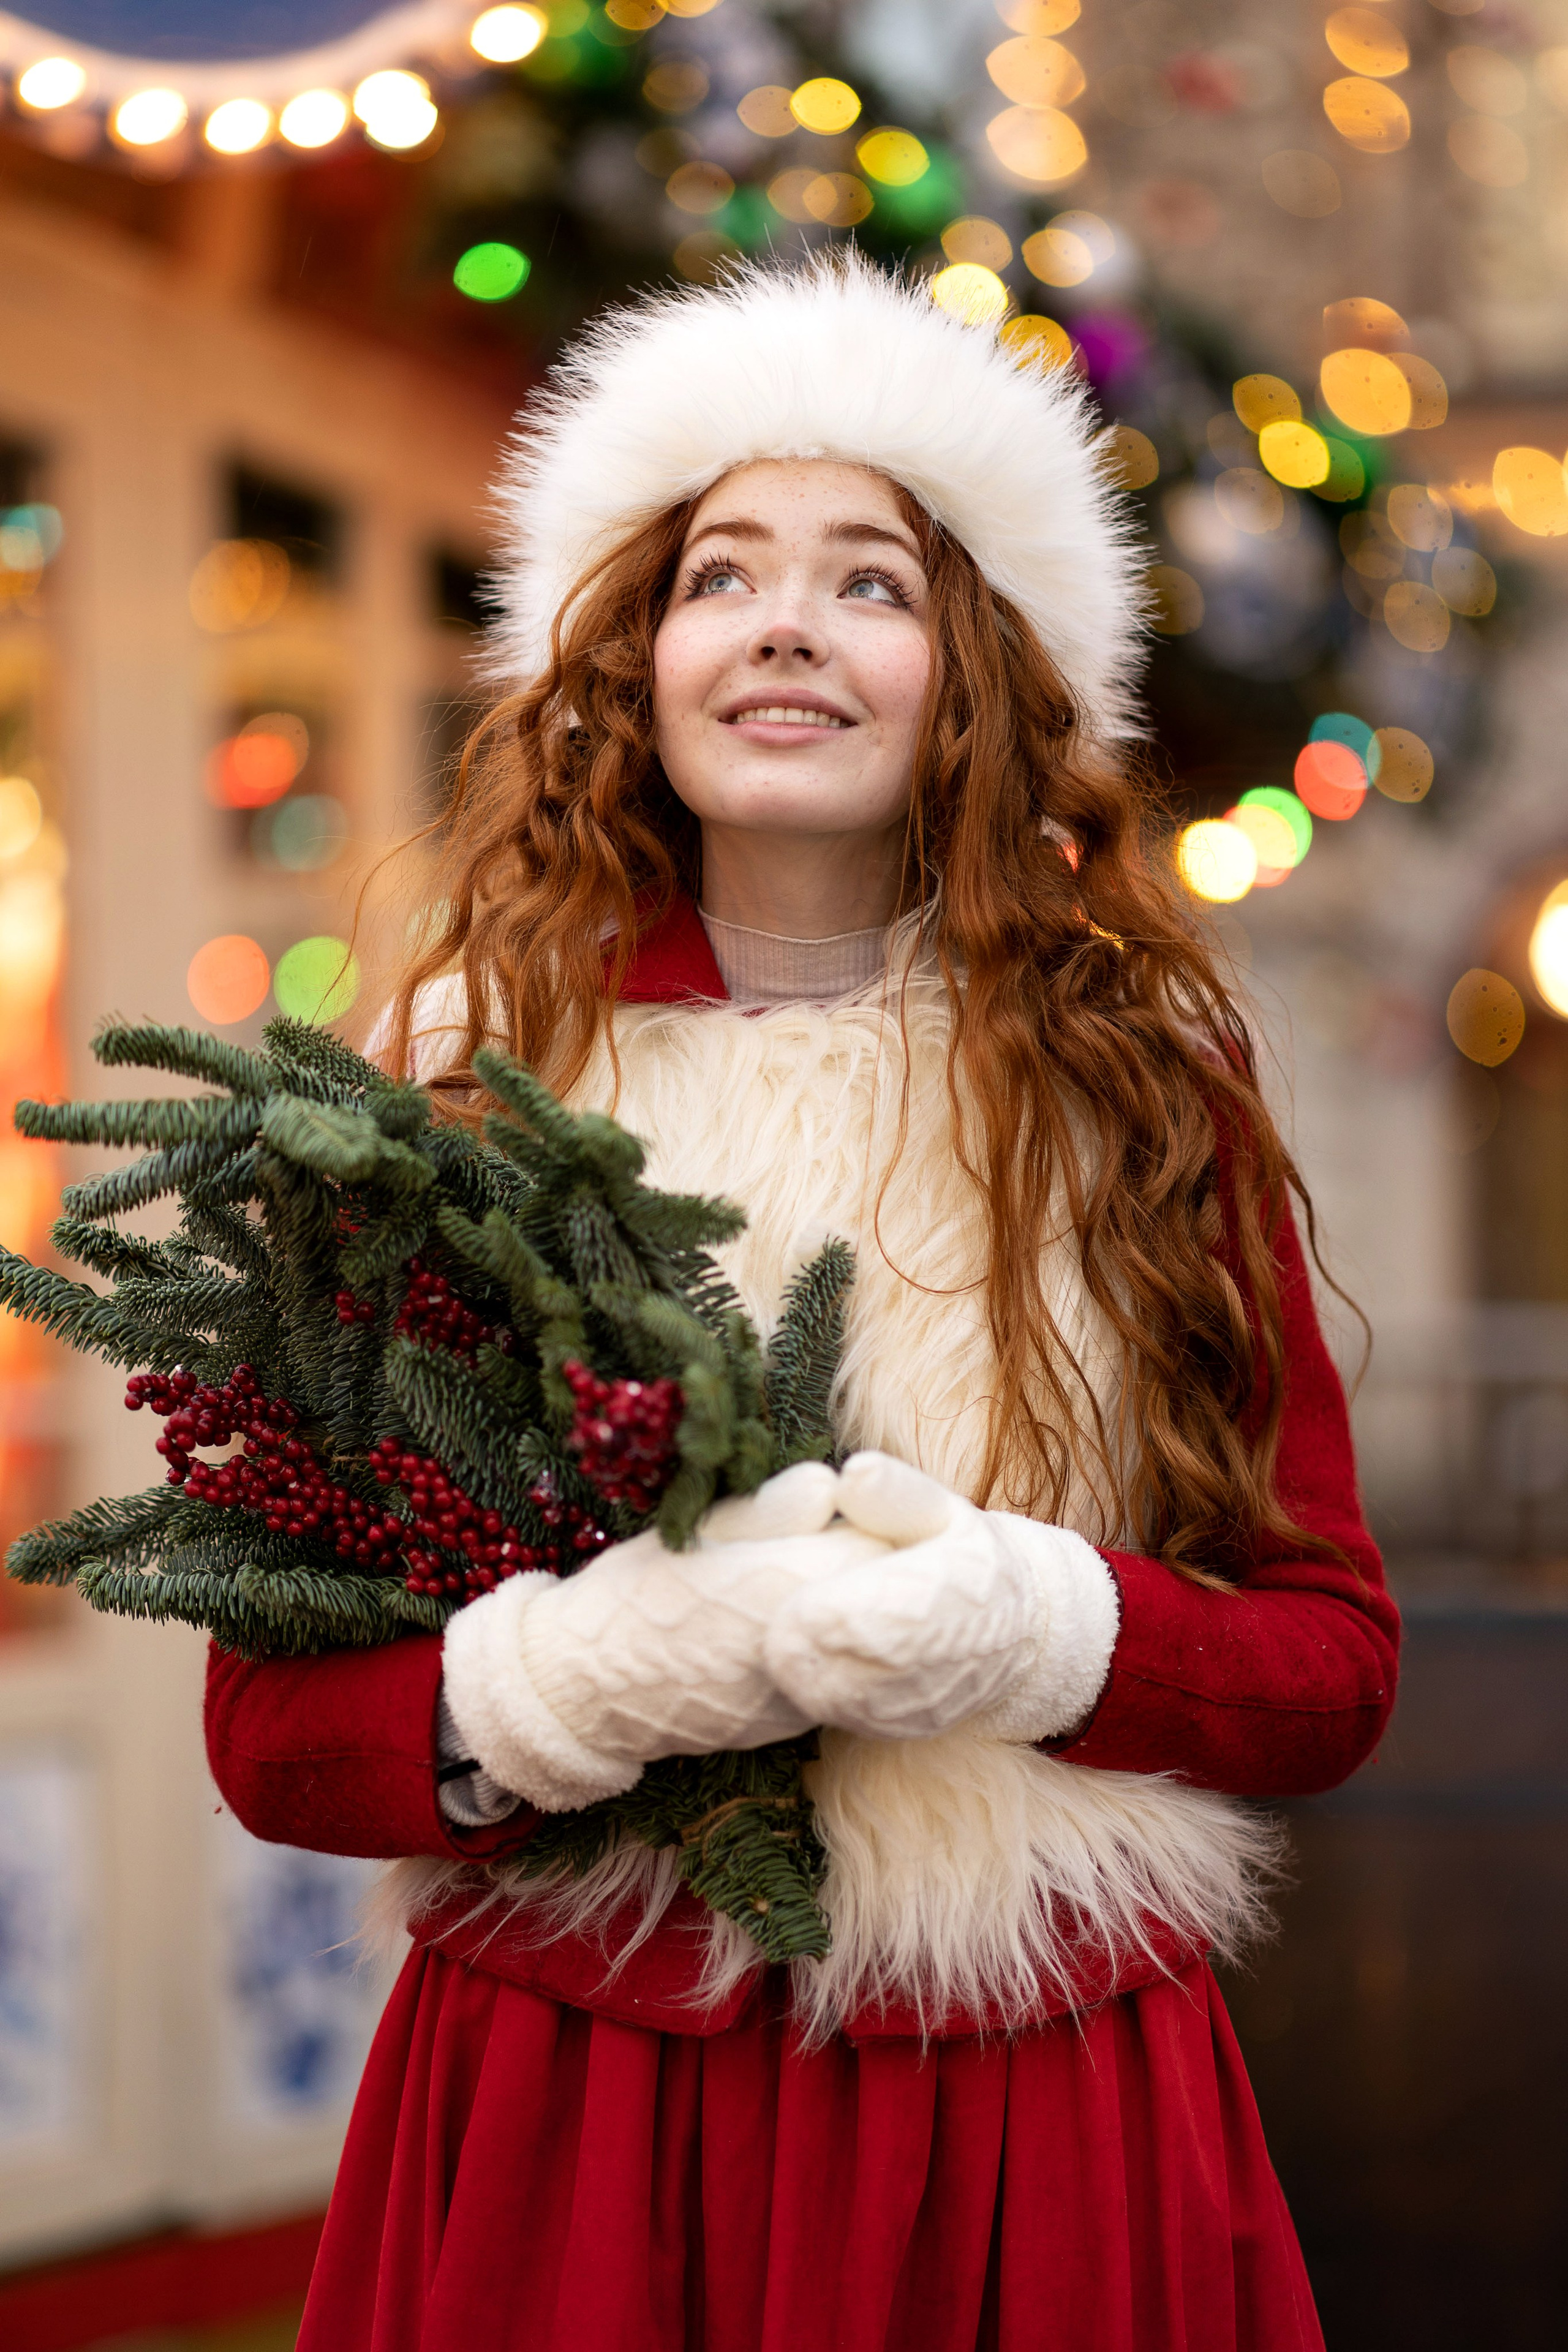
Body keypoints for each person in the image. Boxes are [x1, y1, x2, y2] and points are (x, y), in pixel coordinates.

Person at [204, 257, 1398, 2351]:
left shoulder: (1138, 1096)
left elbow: (1327, 1670)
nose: (782, 622)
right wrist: (567, 1686)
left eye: (871, 581)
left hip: (1033, 2106)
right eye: (720, 573)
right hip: (578, 2102)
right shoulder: (471, 1086)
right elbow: (278, 1734)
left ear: (976, 672)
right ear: (636, 661)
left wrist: (1030, 1628)